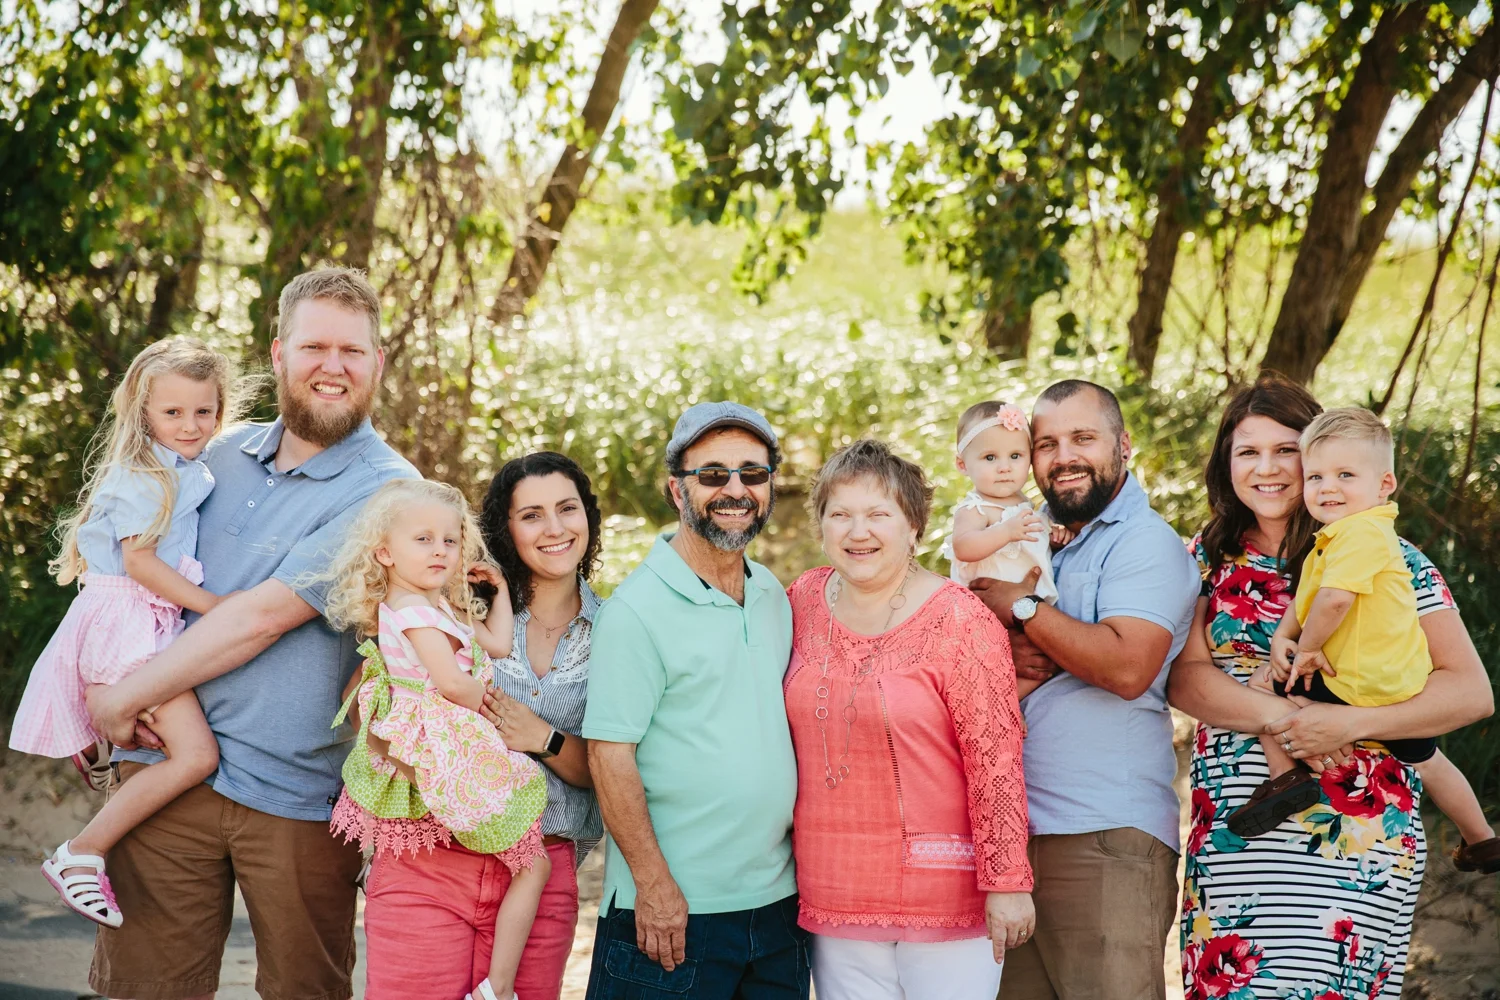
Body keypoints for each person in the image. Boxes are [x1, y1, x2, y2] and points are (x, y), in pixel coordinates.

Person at [83, 267, 418, 1000]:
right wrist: (94, 697)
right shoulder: (209, 456)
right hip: (165, 775)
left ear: (378, 363)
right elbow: (119, 578)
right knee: (142, 990)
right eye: (314, 347)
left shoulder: (391, 491)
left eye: (352, 352)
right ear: (277, 354)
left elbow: (261, 619)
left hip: (296, 796)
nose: (332, 367)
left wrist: (121, 699)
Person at [1167, 374, 1497, 999]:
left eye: (1286, 451)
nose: (1267, 469)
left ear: (1317, 450)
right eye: (1247, 452)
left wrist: (1346, 724)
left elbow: (1470, 693)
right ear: (1225, 464)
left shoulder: (1388, 555)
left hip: (1359, 832)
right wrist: (1284, 721)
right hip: (1243, 830)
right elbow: (1185, 682)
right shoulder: (1201, 560)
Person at [968, 379, 1200, 1000]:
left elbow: (1127, 668)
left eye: (1083, 438)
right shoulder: (1023, 535)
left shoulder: (1144, 542)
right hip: (1005, 842)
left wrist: (1022, 611)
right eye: (1046, 443)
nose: (1063, 455)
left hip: (1103, 835)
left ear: (1124, 446)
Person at [10, 338, 249, 927]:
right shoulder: (146, 475)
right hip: (129, 626)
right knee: (195, 755)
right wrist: (216, 607)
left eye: (204, 411)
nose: (191, 425)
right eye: (173, 412)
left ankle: (96, 754)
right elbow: (140, 562)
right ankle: (81, 852)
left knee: (170, 743)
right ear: (144, 413)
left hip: (135, 622)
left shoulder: (176, 467)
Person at [784, 438, 1034, 1000]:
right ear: (821, 525)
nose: (858, 531)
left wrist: (1008, 882)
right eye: (840, 514)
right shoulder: (799, 603)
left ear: (915, 527)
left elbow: (995, 756)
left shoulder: (959, 620)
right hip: (832, 886)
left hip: (945, 894)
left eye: (878, 514)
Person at [582, 401, 809, 1000]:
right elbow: (609, 755)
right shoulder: (635, 612)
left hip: (778, 911)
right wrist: (655, 888)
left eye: (752, 473)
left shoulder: (772, 597)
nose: (734, 489)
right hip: (673, 915)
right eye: (712, 474)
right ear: (675, 491)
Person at [364, 451, 605, 1000]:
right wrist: (390, 735)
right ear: (505, 528)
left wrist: (541, 738)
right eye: (531, 515)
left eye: (567, 509)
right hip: (432, 854)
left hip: (540, 857)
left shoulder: (620, 629)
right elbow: (376, 705)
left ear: (588, 518)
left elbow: (611, 768)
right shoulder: (447, 603)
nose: (554, 528)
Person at [1229, 407, 1495, 856]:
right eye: (1315, 477)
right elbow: (1307, 599)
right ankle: (1481, 838)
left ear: (1384, 485)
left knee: (1264, 688)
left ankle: (1284, 780)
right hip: (1398, 690)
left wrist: (1306, 649)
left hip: (1356, 685)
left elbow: (1333, 600)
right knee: (1428, 759)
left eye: (1345, 475)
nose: (1327, 487)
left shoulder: (1358, 535)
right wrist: (1282, 636)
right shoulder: (1342, 538)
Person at [319, 478, 548, 1000]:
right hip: (448, 742)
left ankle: (496, 983)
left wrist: (501, 594)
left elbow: (498, 642)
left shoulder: (430, 603)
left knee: (527, 861)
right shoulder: (418, 610)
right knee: (533, 863)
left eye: (449, 540)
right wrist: (491, 707)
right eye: (422, 539)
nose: (440, 550)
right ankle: (499, 988)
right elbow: (449, 683)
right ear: (384, 551)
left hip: (442, 737)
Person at [941, 400, 1061, 598]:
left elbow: (1028, 543)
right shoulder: (976, 508)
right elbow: (963, 547)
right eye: (990, 457)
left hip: (1030, 607)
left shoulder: (1023, 501)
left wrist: (1051, 535)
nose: (1005, 467)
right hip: (988, 608)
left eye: (1015, 456)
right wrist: (1005, 532)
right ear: (962, 464)